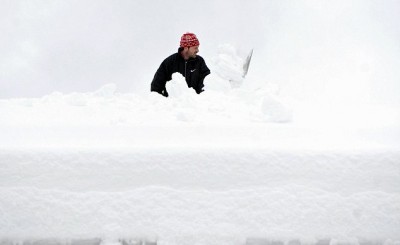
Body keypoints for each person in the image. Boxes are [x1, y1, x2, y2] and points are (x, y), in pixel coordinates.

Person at [151, 33, 210, 97]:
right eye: (195, 48)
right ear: (186, 48)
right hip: (174, 104)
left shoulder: (199, 61)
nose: (197, 50)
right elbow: (156, 86)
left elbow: (207, 82)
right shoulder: (170, 62)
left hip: (195, 103)